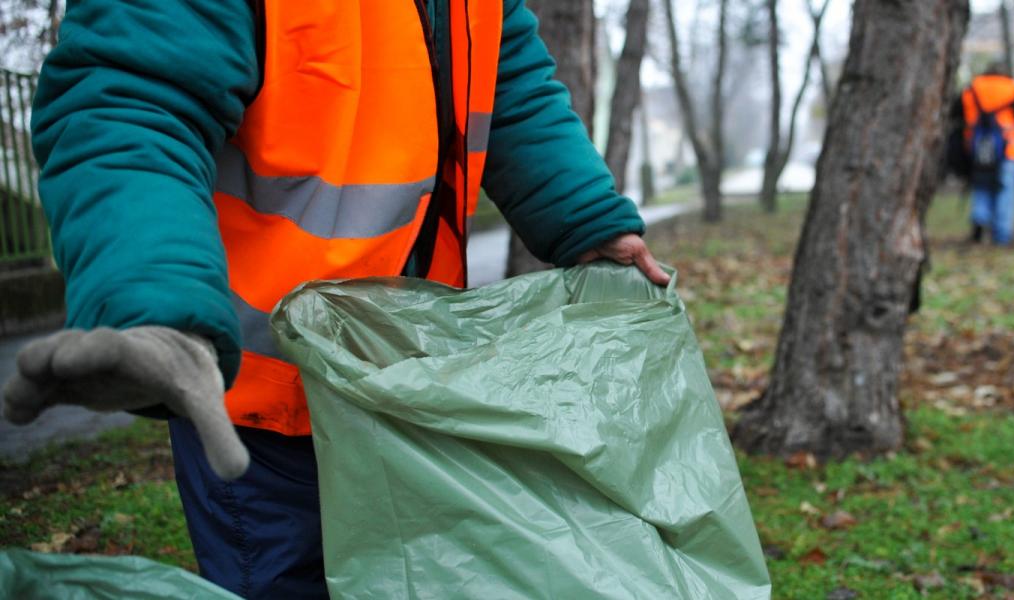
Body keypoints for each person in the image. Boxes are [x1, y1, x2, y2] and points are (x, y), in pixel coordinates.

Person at [1, 2, 670, 598]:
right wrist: (148, 306)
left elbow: (506, 75)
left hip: (404, 374)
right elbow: (129, 101)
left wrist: (584, 217)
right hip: (261, 399)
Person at [952, 61, 1014, 245]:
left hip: (976, 149)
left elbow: (954, 112)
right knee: (1005, 190)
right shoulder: (1011, 88)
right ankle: (1002, 235)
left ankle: (980, 219)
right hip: (1007, 149)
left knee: (981, 186)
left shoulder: (972, 89)